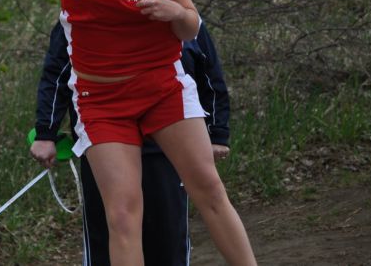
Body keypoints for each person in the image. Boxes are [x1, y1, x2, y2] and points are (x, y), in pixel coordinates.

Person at [0, 0, 255, 265]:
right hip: (102, 98)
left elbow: (191, 24)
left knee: (208, 188)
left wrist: (174, 10)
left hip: (162, 87)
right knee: (123, 214)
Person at [31, 20, 231, 265]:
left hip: (166, 148)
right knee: (112, 232)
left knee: (168, 237)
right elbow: (56, 75)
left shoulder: (175, 12)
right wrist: (45, 132)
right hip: (103, 146)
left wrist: (217, 133)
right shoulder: (74, 20)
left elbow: (208, 72)